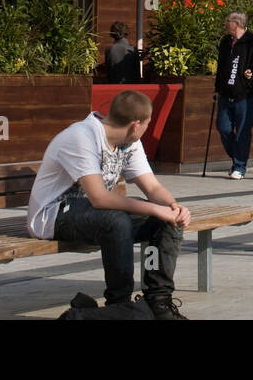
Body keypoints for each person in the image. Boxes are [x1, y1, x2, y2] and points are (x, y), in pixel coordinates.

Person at [26, 89, 190, 319]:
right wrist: (155, 208)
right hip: (52, 215)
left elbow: (152, 188)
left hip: (93, 215)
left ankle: (158, 301)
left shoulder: (130, 143)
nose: (146, 130)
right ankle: (120, 305)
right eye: (147, 125)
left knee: (163, 223)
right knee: (116, 221)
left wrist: (173, 207)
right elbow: (100, 198)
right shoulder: (82, 136)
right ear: (135, 125)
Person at [214, 11, 253, 179]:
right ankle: (238, 157)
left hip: (244, 94)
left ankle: (239, 166)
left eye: (227, 21)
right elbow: (220, 67)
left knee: (243, 131)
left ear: (236, 23)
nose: (225, 24)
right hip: (224, 93)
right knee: (223, 128)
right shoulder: (225, 42)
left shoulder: (252, 41)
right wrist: (217, 88)